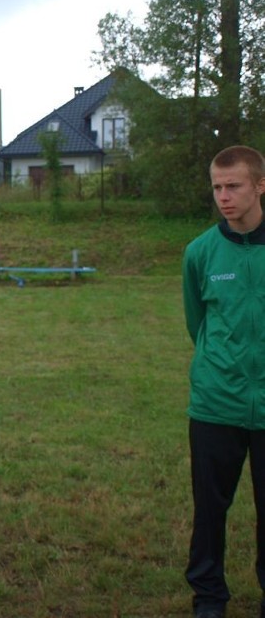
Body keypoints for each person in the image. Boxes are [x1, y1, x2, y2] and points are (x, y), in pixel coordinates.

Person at [182, 145, 265, 618]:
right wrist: (223, 368)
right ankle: (209, 595)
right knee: (210, 511)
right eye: (217, 187)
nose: (224, 197)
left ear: (259, 186)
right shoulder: (200, 253)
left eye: (233, 186)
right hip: (217, 404)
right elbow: (198, 322)